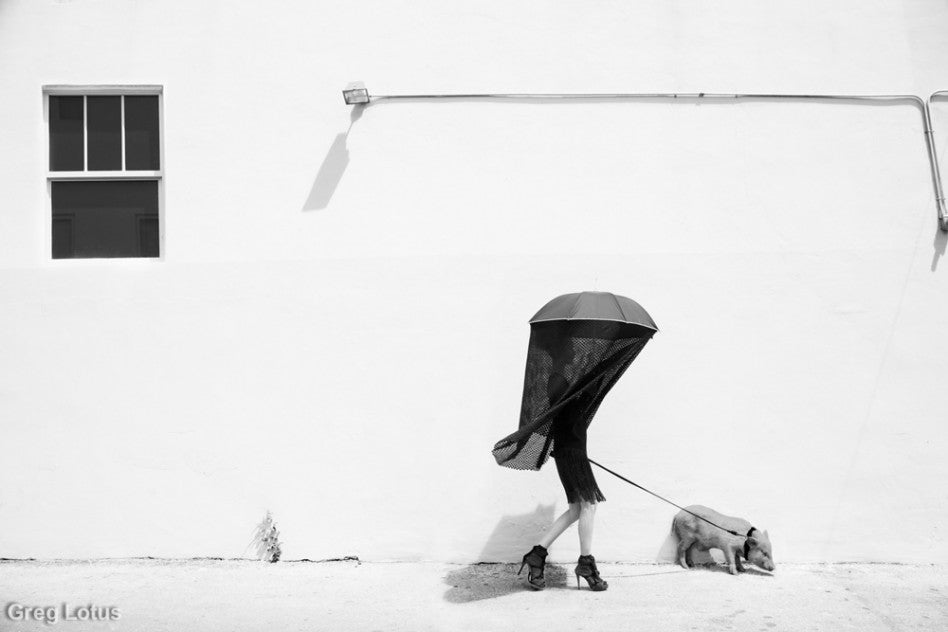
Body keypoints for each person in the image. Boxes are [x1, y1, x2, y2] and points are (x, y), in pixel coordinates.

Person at [518, 366, 608, 592]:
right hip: (572, 455)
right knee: (589, 505)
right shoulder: (561, 387)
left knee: (578, 510)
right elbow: (590, 387)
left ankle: (537, 554)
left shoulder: (567, 390)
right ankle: (585, 563)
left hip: (572, 454)